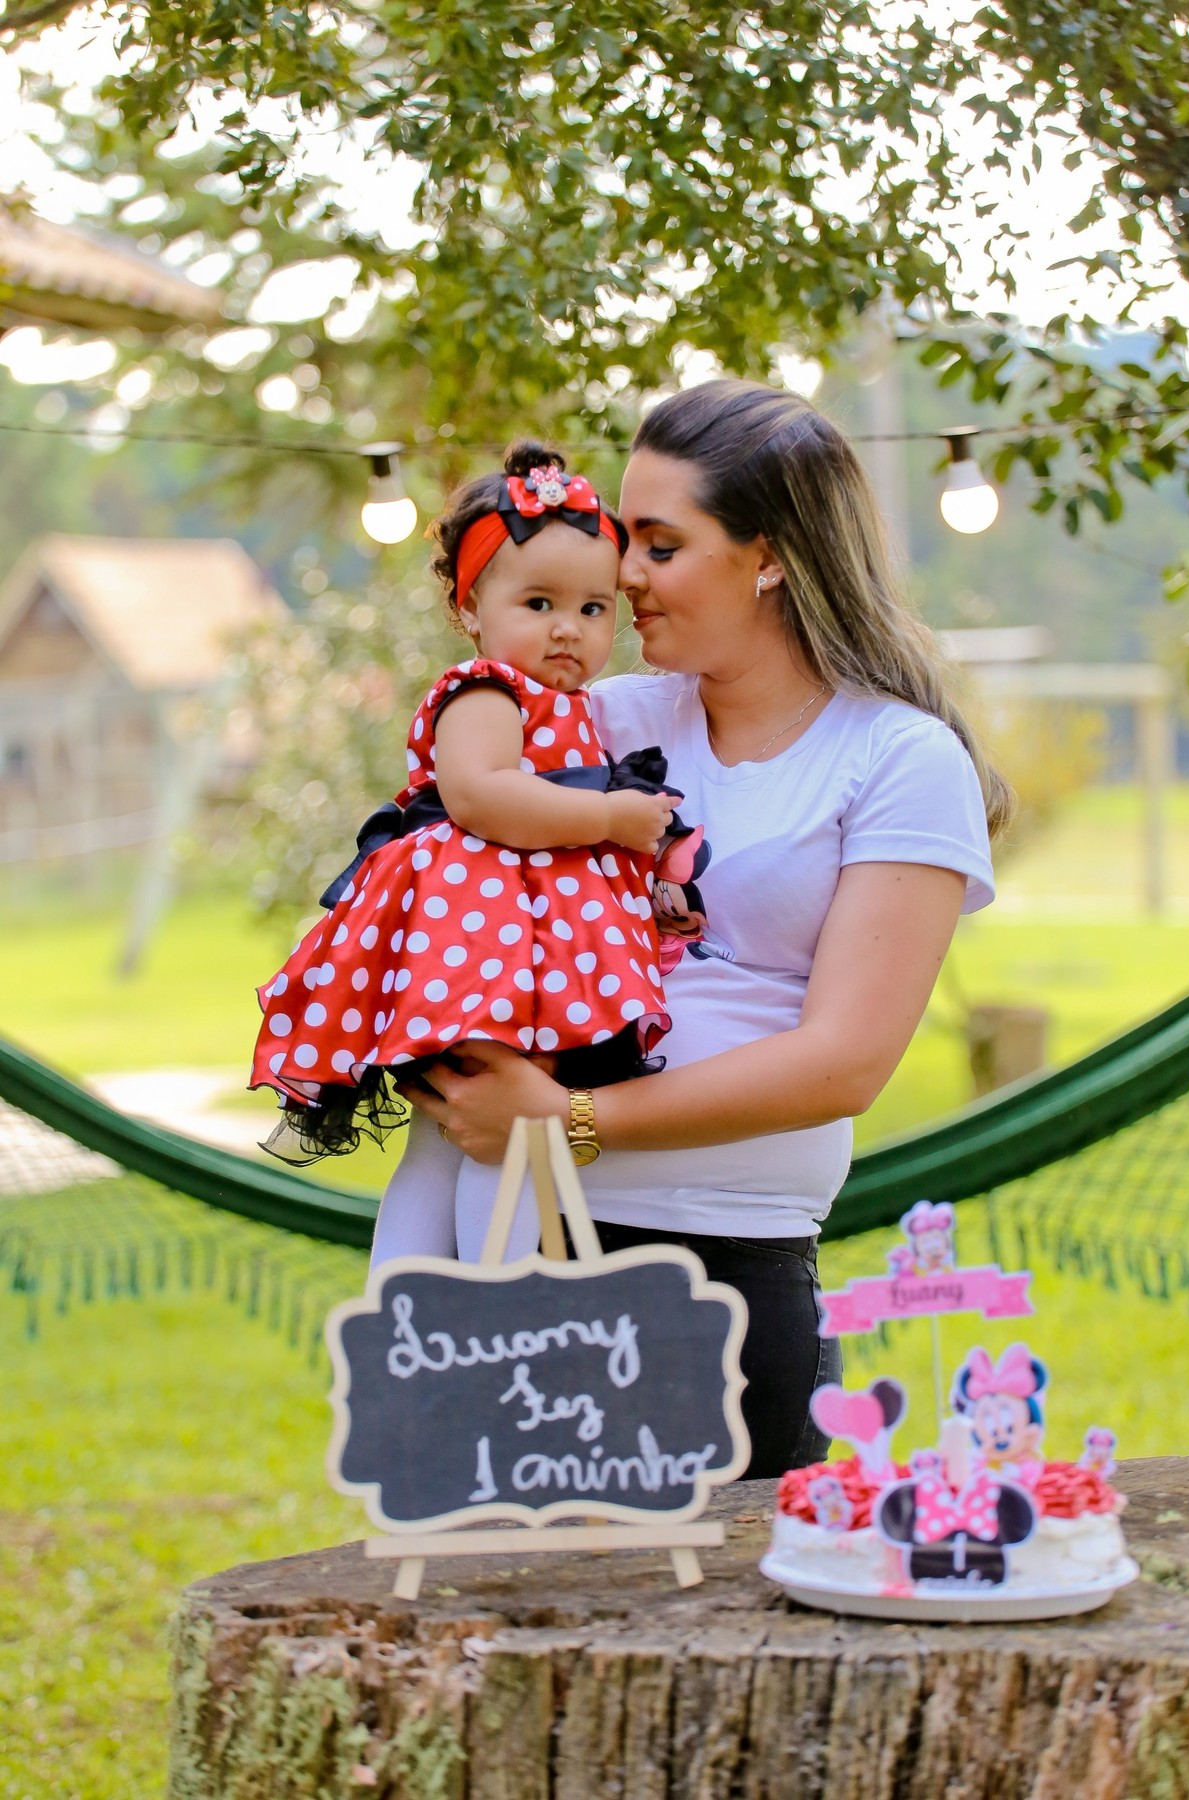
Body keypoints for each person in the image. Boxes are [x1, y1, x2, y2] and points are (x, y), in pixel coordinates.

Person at [395, 379, 1009, 1480]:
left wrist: (571, 1118)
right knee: (510, 1580)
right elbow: (453, 882)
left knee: (703, 1585)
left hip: (720, 1268)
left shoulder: (897, 759)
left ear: (767, 557)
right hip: (511, 1241)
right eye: (624, 538)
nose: (623, 574)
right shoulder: (603, 717)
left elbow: (846, 1061)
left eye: (661, 545)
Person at [250, 441, 677, 1262]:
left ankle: (412, 1301)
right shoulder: (486, 690)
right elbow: (481, 796)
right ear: (470, 606)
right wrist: (610, 817)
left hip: (522, 948)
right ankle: (493, 1297)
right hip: (481, 947)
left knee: (456, 1136)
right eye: (539, 602)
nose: (568, 628)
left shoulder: (572, 705)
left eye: (594, 609)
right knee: (501, 1131)